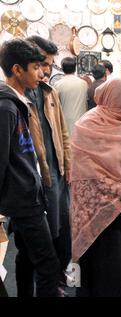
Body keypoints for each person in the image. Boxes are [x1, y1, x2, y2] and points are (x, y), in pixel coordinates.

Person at [70, 77, 121, 297]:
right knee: (108, 273)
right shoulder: (85, 128)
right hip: (103, 219)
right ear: (114, 100)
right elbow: (86, 177)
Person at [0, 38, 61, 297]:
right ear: (17, 70)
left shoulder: (15, 102)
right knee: (48, 266)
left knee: (27, 257)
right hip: (24, 201)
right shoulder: (6, 107)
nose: (42, 73)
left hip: (27, 194)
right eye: (36, 67)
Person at [25, 36, 72, 292]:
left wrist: (69, 166)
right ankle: (48, 283)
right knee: (41, 242)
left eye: (49, 65)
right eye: (41, 63)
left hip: (58, 177)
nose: (45, 70)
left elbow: (63, 133)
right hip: (35, 182)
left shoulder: (49, 92)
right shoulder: (17, 97)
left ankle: (56, 278)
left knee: (63, 233)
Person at [54, 57, 88, 135]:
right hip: (81, 121)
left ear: (62, 68)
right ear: (75, 68)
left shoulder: (58, 84)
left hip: (65, 122)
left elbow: (55, 105)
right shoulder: (83, 84)